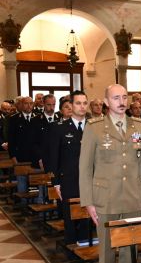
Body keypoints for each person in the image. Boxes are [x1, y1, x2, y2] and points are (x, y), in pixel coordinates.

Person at [79, 84, 141, 263]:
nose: (121, 101)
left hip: (133, 196)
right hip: (105, 198)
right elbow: (85, 168)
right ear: (106, 101)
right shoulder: (94, 127)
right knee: (106, 250)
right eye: (116, 98)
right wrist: (88, 201)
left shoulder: (139, 126)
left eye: (124, 97)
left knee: (130, 250)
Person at [48, 90, 90, 245]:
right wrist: (56, 182)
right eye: (78, 103)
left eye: (85, 103)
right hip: (69, 180)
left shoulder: (94, 127)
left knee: (87, 217)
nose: (82, 106)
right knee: (70, 218)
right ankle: (71, 247)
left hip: (90, 180)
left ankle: (86, 246)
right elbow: (54, 158)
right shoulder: (60, 128)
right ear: (71, 105)